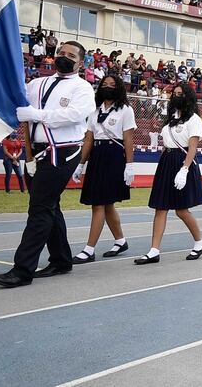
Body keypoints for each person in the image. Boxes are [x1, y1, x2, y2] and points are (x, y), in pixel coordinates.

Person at [0, 42, 96, 288]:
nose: (64, 57)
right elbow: (17, 104)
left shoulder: (83, 89)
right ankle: (61, 259)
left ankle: (22, 269)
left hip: (61, 153)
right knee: (49, 206)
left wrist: (35, 115)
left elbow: (72, 116)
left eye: (71, 56)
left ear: (81, 63)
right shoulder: (37, 83)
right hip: (33, 154)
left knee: (39, 208)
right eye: (61, 53)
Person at [136, 84, 202, 264]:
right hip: (167, 162)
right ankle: (154, 250)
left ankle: (199, 242)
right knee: (160, 207)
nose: (176, 96)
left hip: (182, 162)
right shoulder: (171, 119)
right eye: (174, 94)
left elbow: (192, 148)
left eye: (180, 94)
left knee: (181, 210)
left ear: (188, 96)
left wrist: (184, 170)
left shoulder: (194, 119)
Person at [71, 75, 136, 263]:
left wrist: (129, 165)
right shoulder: (94, 111)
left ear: (119, 88)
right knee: (106, 204)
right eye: (104, 84)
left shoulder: (126, 110)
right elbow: (89, 139)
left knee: (98, 203)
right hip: (97, 156)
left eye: (112, 84)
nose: (107, 87)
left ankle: (89, 249)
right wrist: (81, 164)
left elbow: (129, 139)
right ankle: (120, 241)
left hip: (114, 155)